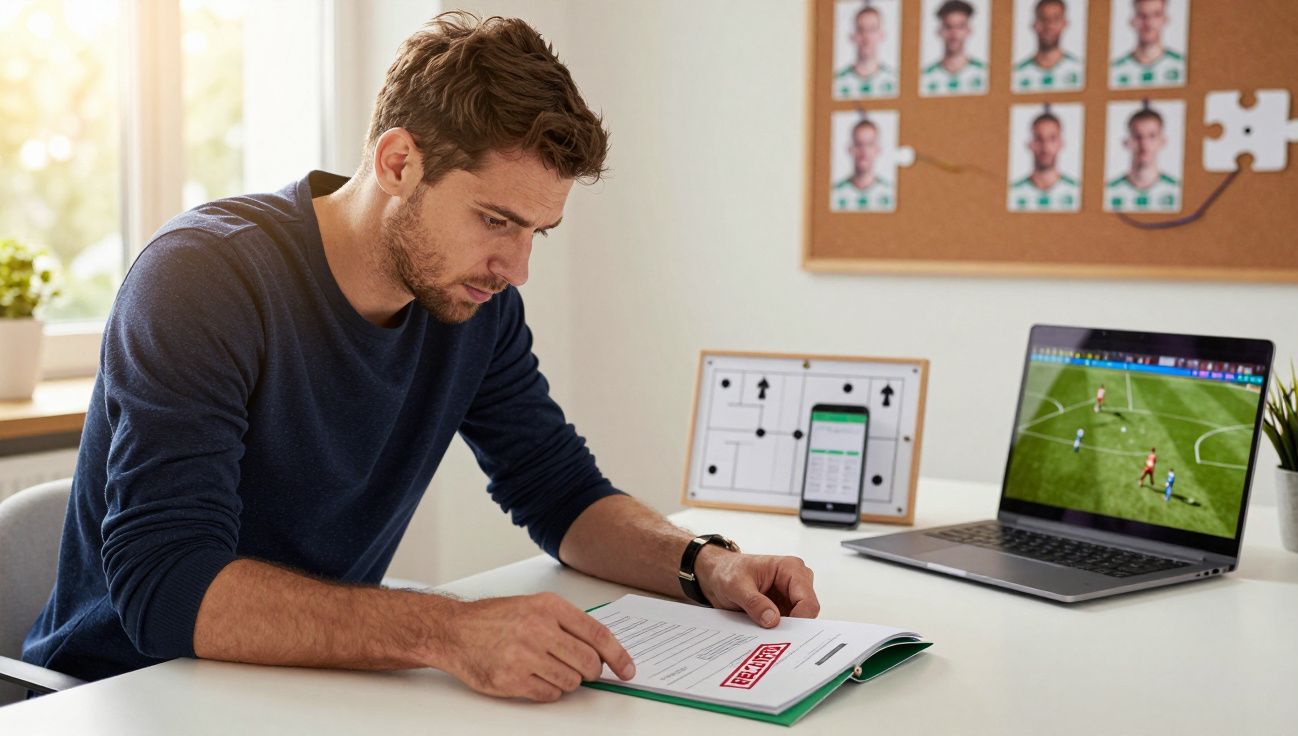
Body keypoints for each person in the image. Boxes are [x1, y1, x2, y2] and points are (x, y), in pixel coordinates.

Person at [23, 12, 820, 703]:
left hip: (310, 687)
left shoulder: (473, 303)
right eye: (496, 220)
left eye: (534, 234)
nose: (516, 269)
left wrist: (704, 564)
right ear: (398, 161)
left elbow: (561, 493)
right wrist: (448, 632)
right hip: (127, 697)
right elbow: (165, 589)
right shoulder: (203, 279)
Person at [1105, 103, 1180, 212]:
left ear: (1162, 142)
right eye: (1137, 136)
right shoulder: (1109, 191)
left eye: (1152, 136)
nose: (1144, 143)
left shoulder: (1176, 189)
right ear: (1126, 142)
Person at [1008, 108, 1080, 212]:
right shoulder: (1013, 192)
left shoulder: (1076, 191)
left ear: (1061, 143)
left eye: (1052, 138)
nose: (1045, 147)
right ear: (1030, 144)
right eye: (1039, 138)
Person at [1110, 0, 1186, 88]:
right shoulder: (1114, 71)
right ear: (1132, 21)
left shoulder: (1182, 66)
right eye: (1142, 16)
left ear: (1165, 20)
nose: (1149, 23)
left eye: (1156, 15)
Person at [1013, 0, 1083, 92]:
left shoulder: (1081, 72)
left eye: (1055, 19)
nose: (1049, 25)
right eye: (1043, 18)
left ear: (1064, 23)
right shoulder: (1016, 75)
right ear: (1034, 24)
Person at [921, 0, 988, 95]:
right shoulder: (925, 78)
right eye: (948, 27)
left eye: (960, 27)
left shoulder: (985, 75)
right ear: (939, 31)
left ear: (969, 30)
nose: (954, 34)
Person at [834, 4, 898, 98]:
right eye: (861, 29)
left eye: (872, 30)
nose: (866, 37)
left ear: (881, 35)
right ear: (852, 36)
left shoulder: (895, 82)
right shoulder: (837, 83)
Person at [832, 118, 895, 211]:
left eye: (869, 144)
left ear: (877, 149)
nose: (864, 151)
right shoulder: (835, 193)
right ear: (850, 149)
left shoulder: (891, 193)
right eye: (858, 144)